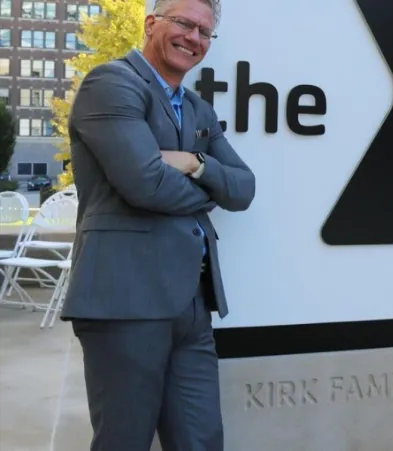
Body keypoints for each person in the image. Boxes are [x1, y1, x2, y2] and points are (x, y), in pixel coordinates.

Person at [61, 0, 255, 449]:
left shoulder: (197, 108)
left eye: (205, 32)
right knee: (124, 441)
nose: (194, 38)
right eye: (184, 23)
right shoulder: (111, 84)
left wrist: (193, 162)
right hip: (126, 300)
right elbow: (145, 184)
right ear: (151, 24)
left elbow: (243, 188)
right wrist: (210, 192)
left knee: (202, 440)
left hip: (192, 303)